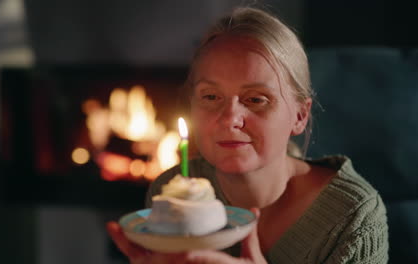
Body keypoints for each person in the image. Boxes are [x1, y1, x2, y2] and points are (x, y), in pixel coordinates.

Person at [106, 6, 389, 264]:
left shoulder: (355, 219)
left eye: (256, 99)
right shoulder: (171, 194)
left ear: (300, 116)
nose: (230, 118)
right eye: (211, 96)